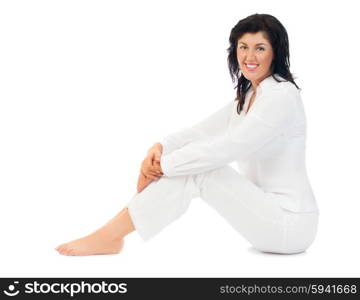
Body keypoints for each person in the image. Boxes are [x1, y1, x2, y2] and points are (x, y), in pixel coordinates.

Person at [55, 13, 319, 256]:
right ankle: (110, 236)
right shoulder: (251, 94)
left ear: (276, 52)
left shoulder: (281, 96)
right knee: (193, 164)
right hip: (267, 219)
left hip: (290, 225)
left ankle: (109, 236)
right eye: (243, 47)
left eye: (260, 48)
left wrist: (164, 166)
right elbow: (202, 131)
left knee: (200, 169)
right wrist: (159, 148)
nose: (250, 56)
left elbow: (228, 148)